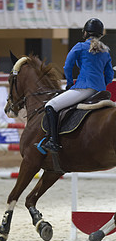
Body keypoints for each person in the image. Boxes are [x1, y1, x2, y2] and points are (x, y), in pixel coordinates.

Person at [42, 18, 114, 153]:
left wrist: (70, 84)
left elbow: (67, 66)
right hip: (99, 91)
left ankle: (53, 141)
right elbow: (109, 75)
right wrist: (100, 85)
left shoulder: (80, 46)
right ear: (100, 35)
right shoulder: (105, 51)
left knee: (50, 106)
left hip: (83, 88)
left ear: (85, 33)